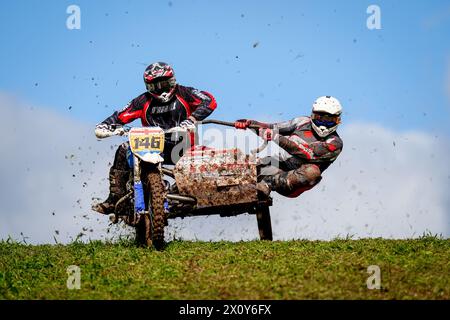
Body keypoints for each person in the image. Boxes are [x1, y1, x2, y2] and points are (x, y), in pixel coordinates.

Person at [92, 62, 217, 214]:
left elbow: (210, 101)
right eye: (155, 85)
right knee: (124, 149)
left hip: (184, 146)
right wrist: (105, 125)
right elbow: (120, 115)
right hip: (154, 145)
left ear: (172, 80)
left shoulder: (184, 92)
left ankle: (206, 193)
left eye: (164, 83)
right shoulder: (142, 101)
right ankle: (114, 198)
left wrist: (191, 119)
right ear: (148, 86)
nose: (161, 89)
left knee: (212, 158)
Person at [235, 96, 343, 198]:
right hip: (278, 164)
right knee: (241, 164)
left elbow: (307, 153)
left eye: (329, 121)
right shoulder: (302, 121)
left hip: (293, 183)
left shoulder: (335, 143)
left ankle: (267, 184)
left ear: (338, 121)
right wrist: (249, 123)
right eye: (320, 119)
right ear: (313, 116)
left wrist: (277, 138)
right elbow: (272, 127)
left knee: (313, 172)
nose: (323, 125)